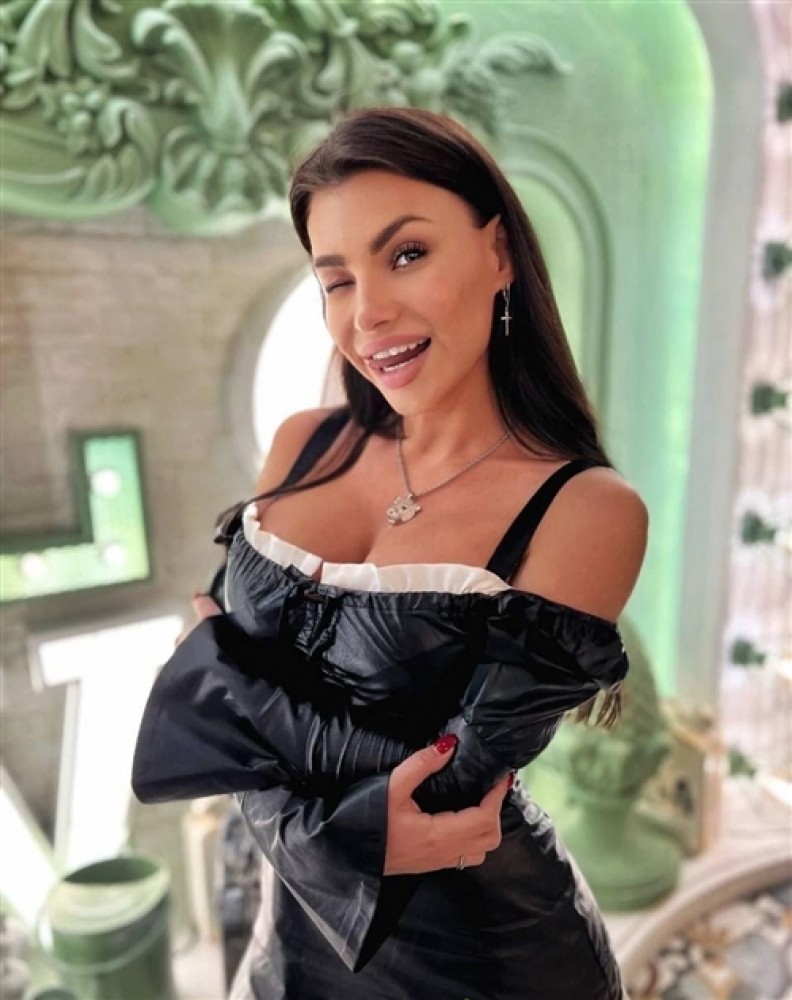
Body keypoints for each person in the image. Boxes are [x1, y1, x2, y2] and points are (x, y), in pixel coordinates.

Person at [133, 106, 647, 999]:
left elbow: (446, 796)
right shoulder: (302, 444)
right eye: (336, 280)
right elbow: (209, 722)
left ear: (499, 253)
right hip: (293, 940)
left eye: (406, 254)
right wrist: (323, 822)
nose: (367, 313)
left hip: (488, 963)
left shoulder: (586, 510)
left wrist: (224, 680)